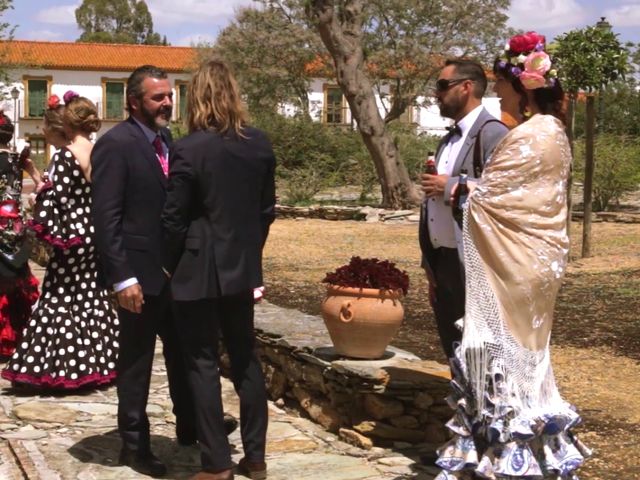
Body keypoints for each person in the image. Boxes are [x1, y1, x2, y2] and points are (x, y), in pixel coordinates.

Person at [435, 32, 590, 479]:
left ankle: (505, 455)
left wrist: (457, 189)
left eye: (502, 83)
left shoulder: (533, 135)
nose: (498, 90)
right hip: (535, 259)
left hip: (517, 264)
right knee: (520, 356)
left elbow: (501, 200)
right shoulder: (553, 132)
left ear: (523, 86)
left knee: (498, 355)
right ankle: (525, 455)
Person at [162, 59, 276, 480]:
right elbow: (266, 211)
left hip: (195, 267)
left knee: (202, 363)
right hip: (241, 267)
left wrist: (166, 264)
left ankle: (216, 464)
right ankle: (256, 457)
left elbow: (174, 218)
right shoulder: (259, 144)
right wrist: (249, 253)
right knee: (247, 359)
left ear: (198, 97)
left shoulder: (189, 147)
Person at [2, 92, 119, 389]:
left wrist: (38, 200)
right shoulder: (98, 150)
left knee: (59, 293)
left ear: (68, 122)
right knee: (90, 294)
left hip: (70, 233)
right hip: (93, 231)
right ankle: (101, 360)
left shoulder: (66, 155)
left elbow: (59, 197)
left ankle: (66, 367)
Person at [418, 59, 508, 360]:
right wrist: (431, 266)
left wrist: (450, 185)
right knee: (454, 353)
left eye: (443, 86)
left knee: (483, 354)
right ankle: (461, 407)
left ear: (466, 87)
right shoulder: (447, 139)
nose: (436, 93)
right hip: (444, 263)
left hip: (473, 263)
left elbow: (505, 193)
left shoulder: (493, 134)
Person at [0, 113, 40, 360]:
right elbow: (40, 184)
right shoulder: (18, 160)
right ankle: (15, 338)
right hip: (15, 231)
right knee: (14, 285)